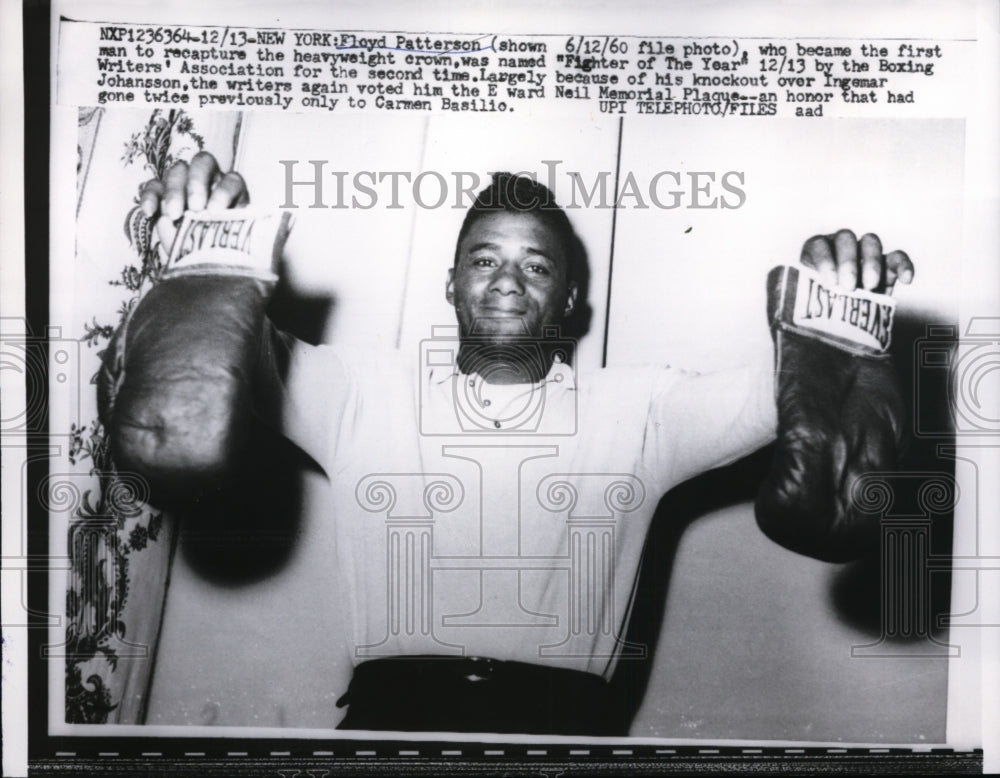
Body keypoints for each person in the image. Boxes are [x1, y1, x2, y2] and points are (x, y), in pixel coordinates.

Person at [99, 151, 913, 736]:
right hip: (390, 727)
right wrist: (208, 257)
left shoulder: (644, 409)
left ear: (569, 297)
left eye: (535, 265)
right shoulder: (356, 390)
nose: (506, 279)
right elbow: (223, 356)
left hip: (565, 734)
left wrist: (834, 315)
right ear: (449, 282)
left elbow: (784, 395)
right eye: (483, 259)